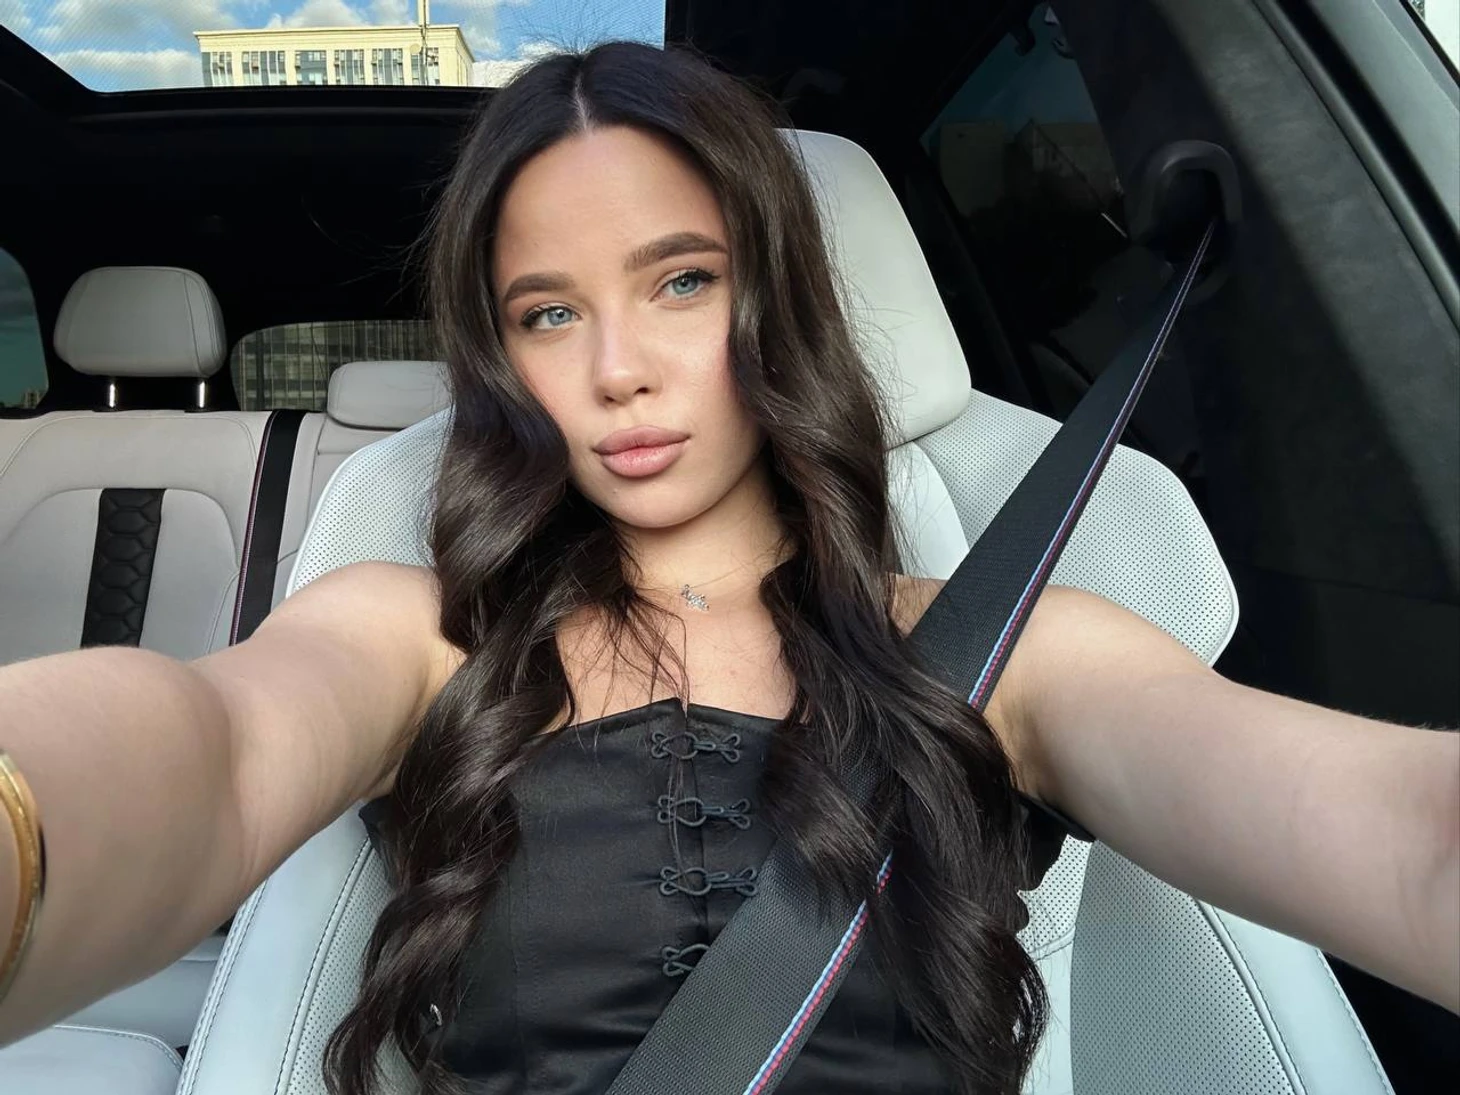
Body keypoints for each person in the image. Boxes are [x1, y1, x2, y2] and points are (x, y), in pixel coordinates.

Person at [0, 40, 1455, 1095]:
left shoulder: (1011, 647)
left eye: (682, 281)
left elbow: (1393, 829)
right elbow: (217, 749)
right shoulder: (422, 636)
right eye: (547, 313)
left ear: (777, 296)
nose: (617, 369)